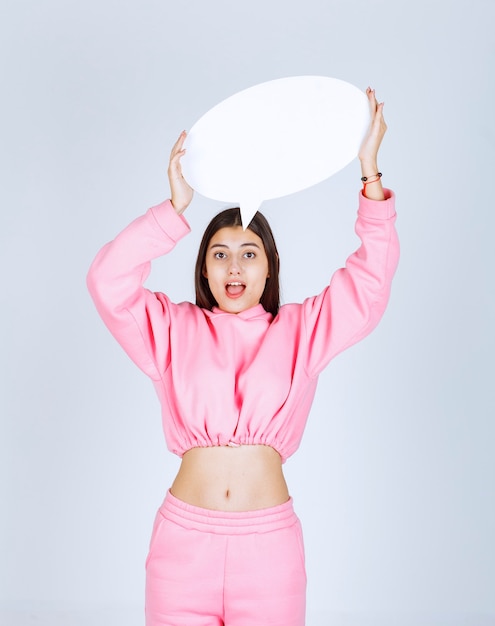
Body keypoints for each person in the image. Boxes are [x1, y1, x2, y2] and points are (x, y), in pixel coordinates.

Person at [87, 87, 399, 626]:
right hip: (182, 551)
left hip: (269, 557)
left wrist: (370, 175)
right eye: (220, 255)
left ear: (269, 268)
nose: (234, 269)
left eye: (248, 255)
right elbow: (107, 280)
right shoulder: (171, 328)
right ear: (204, 268)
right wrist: (174, 210)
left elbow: (369, 286)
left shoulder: (301, 331)